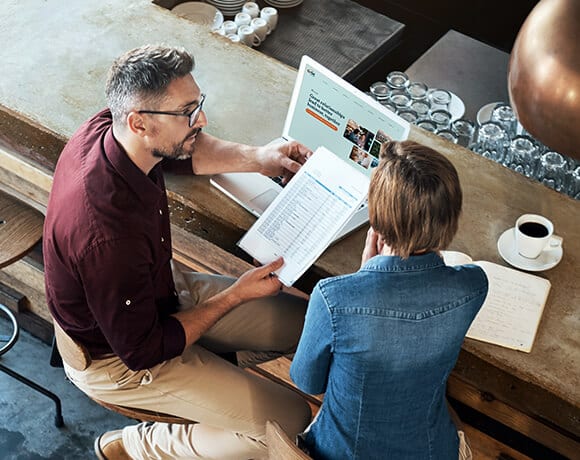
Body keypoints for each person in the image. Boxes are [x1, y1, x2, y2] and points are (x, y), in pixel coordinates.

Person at [43, 44, 312, 460]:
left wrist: (260, 158)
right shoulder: (107, 235)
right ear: (140, 123)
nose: (200, 119)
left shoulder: (112, 129)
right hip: (117, 358)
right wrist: (235, 295)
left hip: (157, 293)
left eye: (197, 104)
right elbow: (143, 350)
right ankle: (138, 445)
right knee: (289, 421)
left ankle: (218, 383)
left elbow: (184, 150)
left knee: (311, 324)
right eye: (187, 112)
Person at [290, 140, 489, 459]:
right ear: (452, 217)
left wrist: (364, 276)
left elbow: (307, 382)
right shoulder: (474, 285)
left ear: (375, 217)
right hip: (433, 450)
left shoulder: (333, 298)